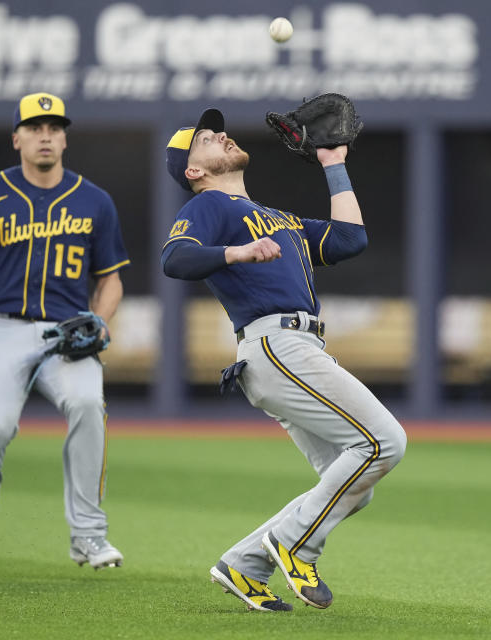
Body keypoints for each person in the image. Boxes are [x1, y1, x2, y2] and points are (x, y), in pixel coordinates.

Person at [161, 109, 407, 612]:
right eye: (207, 139)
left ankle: (244, 563)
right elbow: (174, 258)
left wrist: (333, 163)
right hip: (276, 345)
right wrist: (236, 253)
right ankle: (297, 543)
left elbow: (348, 240)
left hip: (295, 349)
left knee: (356, 484)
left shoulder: (277, 218)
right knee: (385, 442)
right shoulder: (210, 205)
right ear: (193, 171)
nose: (222, 135)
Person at [0, 92, 131, 578]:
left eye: (54, 128)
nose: (45, 135)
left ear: (64, 138)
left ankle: (88, 534)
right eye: (36, 127)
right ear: (17, 138)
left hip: (67, 336)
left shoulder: (94, 200)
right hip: (3, 331)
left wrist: (101, 320)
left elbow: (110, 279)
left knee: (88, 405)